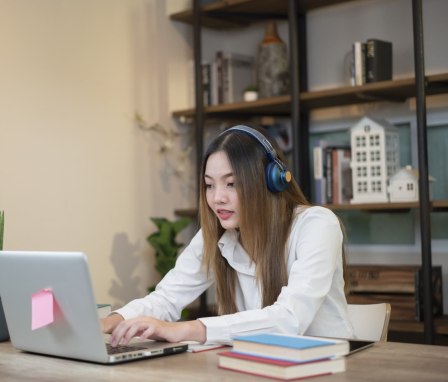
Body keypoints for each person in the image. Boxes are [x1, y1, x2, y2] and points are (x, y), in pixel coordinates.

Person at [102, 125, 354, 347]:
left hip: (332, 369)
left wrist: (187, 329)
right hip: (260, 367)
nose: (217, 197)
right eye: (210, 185)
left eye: (231, 183)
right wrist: (110, 322)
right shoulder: (216, 234)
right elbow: (167, 298)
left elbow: (290, 318)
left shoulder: (317, 224)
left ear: (271, 181)